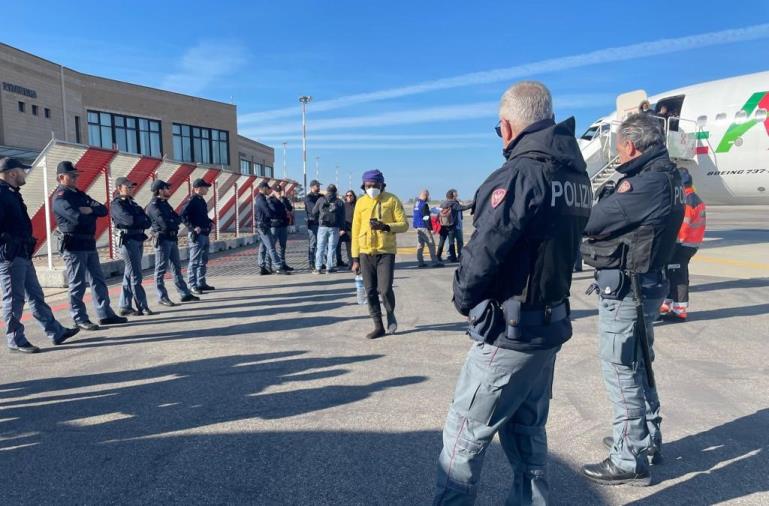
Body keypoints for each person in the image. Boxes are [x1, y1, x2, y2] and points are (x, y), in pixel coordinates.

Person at [434, 81, 590, 505]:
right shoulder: (575, 174)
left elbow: (481, 253)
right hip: (548, 327)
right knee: (527, 434)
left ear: (506, 126)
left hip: (510, 332)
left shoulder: (521, 174)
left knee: (462, 441)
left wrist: (464, 299)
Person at [580, 112, 684, 486]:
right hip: (649, 283)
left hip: (630, 288)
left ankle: (628, 455)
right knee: (639, 360)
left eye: (620, 146)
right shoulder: (668, 176)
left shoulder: (646, 183)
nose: (619, 154)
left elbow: (593, 220)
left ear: (631, 144)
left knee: (620, 366)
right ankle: (646, 438)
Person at [0, 157, 80, 353]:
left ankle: (55, 331)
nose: (25, 173)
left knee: (35, 295)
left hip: (22, 254)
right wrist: (10, 243)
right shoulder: (1, 194)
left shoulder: (12, 193)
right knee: (13, 299)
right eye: (22, 170)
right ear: (12, 173)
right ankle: (15, 339)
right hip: (11, 256)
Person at [53, 161, 127, 330]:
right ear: (61, 177)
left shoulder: (79, 194)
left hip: (88, 242)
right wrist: (87, 211)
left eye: (76, 175)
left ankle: (105, 314)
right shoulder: (60, 197)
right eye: (72, 176)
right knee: (77, 284)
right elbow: (77, 217)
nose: (76, 178)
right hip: (74, 244)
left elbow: (102, 210)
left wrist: (89, 210)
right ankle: (79, 317)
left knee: (98, 281)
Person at [351, 170, 408, 339]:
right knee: (369, 291)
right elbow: (355, 230)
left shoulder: (392, 200)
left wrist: (386, 226)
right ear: (364, 186)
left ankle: (390, 313)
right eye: (368, 186)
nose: (372, 188)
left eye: (375, 185)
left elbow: (404, 224)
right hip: (365, 252)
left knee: (384, 289)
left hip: (385, 252)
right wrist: (355, 258)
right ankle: (378, 325)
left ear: (382, 185)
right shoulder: (360, 203)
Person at [660, 169, 706, 321]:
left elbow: (683, 228)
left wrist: (671, 246)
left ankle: (679, 311)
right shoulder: (695, 198)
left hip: (682, 245)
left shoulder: (686, 200)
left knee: (678, 277)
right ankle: (667, 305)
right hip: (691, 244)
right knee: (673, 274)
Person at [146, 179, 199, 306]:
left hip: (171, 239)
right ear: (160, 190)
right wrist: (173, 222)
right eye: (166, 188)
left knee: (176, 268)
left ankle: (184, 293)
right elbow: (164, 223)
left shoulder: (164, 203)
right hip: (163, 240)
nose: (169, 190)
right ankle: (162, 296)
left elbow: (177, 218)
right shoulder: (153, 205)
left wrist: (173, 222)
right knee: (160, 270)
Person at [111, 177, 153, 316]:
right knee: (136, 274)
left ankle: (124, 305)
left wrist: (139, 220)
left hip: (138, 238)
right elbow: (129, 220)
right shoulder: (117, 204)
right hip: (128, 241)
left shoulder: (133, 204)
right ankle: (142, 306)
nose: (131, 188)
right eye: (127, 186)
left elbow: (147, 222)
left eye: (131, 186)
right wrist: (139, 220)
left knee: (129, 273)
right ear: (119, 188)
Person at [180, 178, 214, 294]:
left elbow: (201, 216)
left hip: (204, 234)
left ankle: (201, 283)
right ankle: (192, 285)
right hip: (197, 235)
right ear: (197, 188)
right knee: (194, 261)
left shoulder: (201, 200)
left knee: (203, 260)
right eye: (205, 187)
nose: (207, 189)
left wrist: (209, 222)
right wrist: (193, 227)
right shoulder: (192, 200)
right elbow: (183, 215)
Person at [255, 181, 288, 275]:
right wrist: (276, 216)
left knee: (263, 247)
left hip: (262, 225)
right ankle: (278, 267)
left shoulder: (260, 198)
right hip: (263, 226)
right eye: (268, 188)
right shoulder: (261, 199)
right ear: (264, 188)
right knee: (271, 247)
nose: (269, 190)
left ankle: (262, 266)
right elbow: (268, 212)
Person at [311, 184, 345, 274]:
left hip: (322, 227)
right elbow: (342, 217)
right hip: (335, 227)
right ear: (335, 191)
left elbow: (314, 212)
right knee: (331, 248)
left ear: (327, 191)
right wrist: (342, 228)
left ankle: (318, 268)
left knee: (320, 247)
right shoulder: (339, 202)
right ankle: (329, 268)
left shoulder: (321, 199)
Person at [269, 182, 294, 272]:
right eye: (277, 191)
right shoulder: (270, 200)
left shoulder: (284, 199)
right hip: (274, 226)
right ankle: (270, 265)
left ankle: (283, 264)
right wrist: (280, 202)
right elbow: (274, 211)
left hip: (283, 225)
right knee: (272, 246)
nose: (279, 193)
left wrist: (283, 200)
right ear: (273, 191)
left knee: (283, 246)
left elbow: (290, 208)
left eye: (280, 191)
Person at [413, 189, 441, 268]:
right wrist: (430, 228)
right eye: (428, 196)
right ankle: (435, 262)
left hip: (417, 226)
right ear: (425, 196)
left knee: (420, 245)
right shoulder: (424, 204)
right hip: (423, 226)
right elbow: (426, 218)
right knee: (431, 244)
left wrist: (414, 225)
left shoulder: (416, 203)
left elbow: (415, 215)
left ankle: (420, 262)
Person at [446, 189, 474, 261]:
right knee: (459, 241)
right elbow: (462, 208)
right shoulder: (452, 203)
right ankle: (458, 256)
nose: (457, 195)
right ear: (452, 195)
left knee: (451, 242)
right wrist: (473, 204)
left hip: (450, 226)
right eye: (456, 194)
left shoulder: (447, 203)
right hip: (455, 226)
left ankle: (452, 257)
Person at [336, 190, 357, 269]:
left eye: (351, 195)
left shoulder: (357, 205)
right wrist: (341, 229)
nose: (349, 197)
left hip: (354, 229)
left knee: (353, 247)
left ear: (354, 196)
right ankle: (345, 262)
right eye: (347, 195)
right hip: (345, 229)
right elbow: (340, 217)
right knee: (346, 247)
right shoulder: (344, 205)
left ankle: (354, 263)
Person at [304, 179, 322, 268]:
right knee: (313, 244)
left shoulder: (321, 196)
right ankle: (311, 262)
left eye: (319, 186)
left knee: (321, 243)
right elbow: (313, 210)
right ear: (312, 187)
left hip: (322, 223)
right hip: (313, 223)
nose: (319, 187)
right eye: (317, 186)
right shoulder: (308, 198)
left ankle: (320, 262)